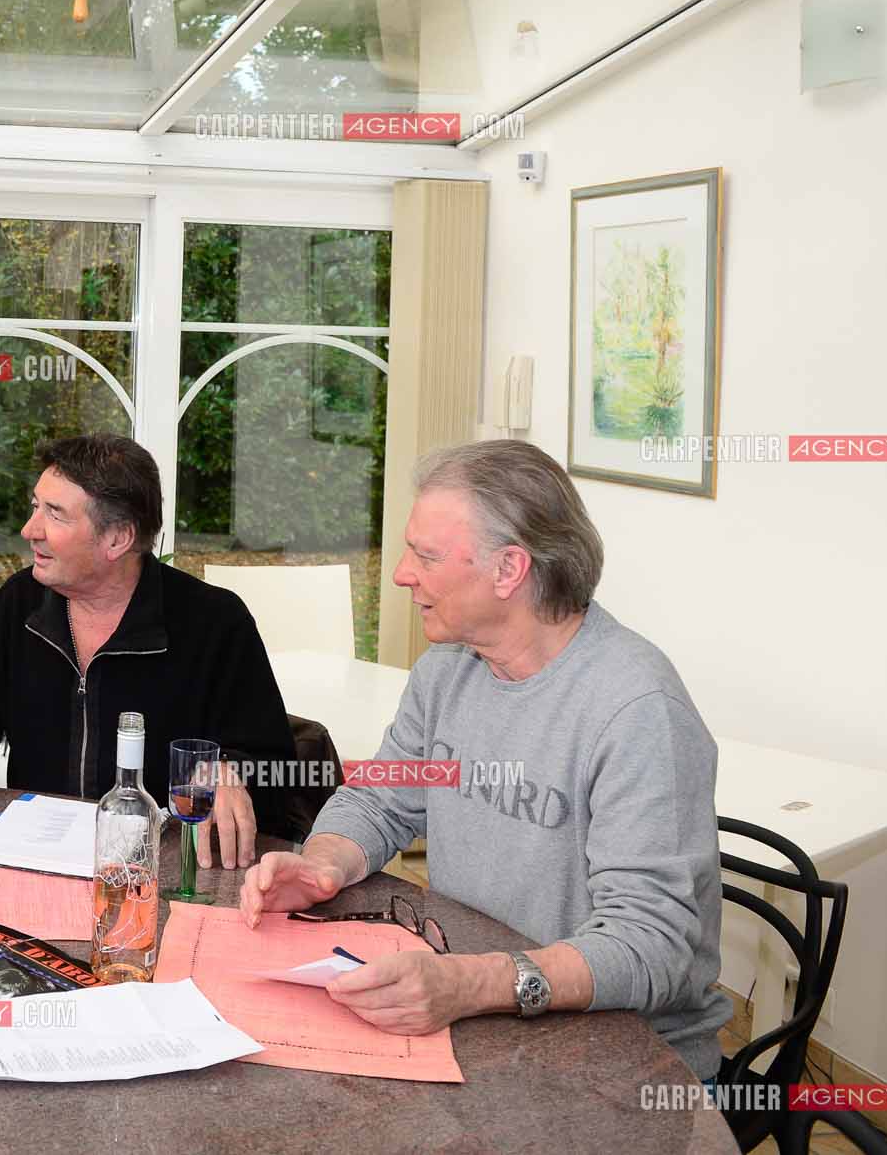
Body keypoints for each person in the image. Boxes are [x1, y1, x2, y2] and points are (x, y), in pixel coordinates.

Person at [240, 440, 729, 1078]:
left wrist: (467, 985)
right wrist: (322, 863)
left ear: (509, 571)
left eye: (427, 555)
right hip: (483, 1011)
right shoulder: (447, 671)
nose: (401, 574)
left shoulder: (637, 710)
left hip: (621, 1059)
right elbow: (379, 799)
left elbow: (650, 947)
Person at [0, 434, 299, 866]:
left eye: (54, 515)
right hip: (33, 858)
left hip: (163, 869)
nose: (28, 530)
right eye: (35, 506)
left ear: (117, 539)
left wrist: (227, 771)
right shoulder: (18, 603)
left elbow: (273, 764)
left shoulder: (215, 622)